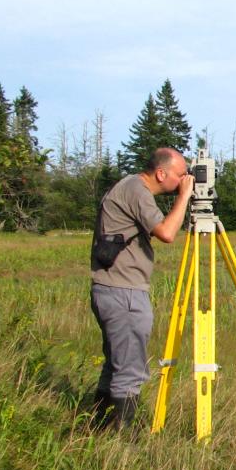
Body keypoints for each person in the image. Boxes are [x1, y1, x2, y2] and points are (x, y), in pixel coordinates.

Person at [88, 147, 194, 430]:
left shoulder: (128, 186)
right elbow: (167, 233)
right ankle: (122, 438)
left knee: (115, 365)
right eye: (180, 175)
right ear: (160, 173)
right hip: (123, 292)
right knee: (129, 370)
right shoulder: (137, 190)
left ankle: (98, 429)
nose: (184, 180)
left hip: (112, 288)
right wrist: (184, 197)